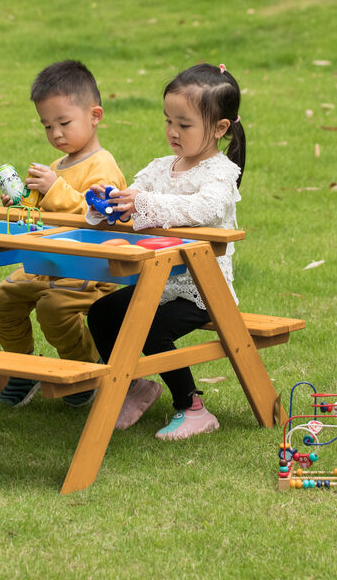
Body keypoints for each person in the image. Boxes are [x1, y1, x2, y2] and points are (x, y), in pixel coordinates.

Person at [86, 62, 245, 440]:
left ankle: (192, 406)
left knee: (147, 328)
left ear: (220, 128)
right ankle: (134, 386)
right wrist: (108, 205)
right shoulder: (161, 168)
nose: (173, 132)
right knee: (103, 313)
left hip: (202, 291)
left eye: (185, 124)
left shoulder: (220, 174)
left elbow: (201, 209)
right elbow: (134, 200)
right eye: (168, 121)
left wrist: (145, 203)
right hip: (159, 283)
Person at [0, 60, 126, 408]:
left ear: (95, 115)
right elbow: (40, 214)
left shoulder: (102, 165)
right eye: (47, 125)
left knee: (54, 307)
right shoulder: (55, 167)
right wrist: (20, 202)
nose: (56, 133)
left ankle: (85, 370)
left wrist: (55, 188)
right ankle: (24, 369)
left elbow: (100, 216)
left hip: (89, 270)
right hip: (45, 263)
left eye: (64, 123)